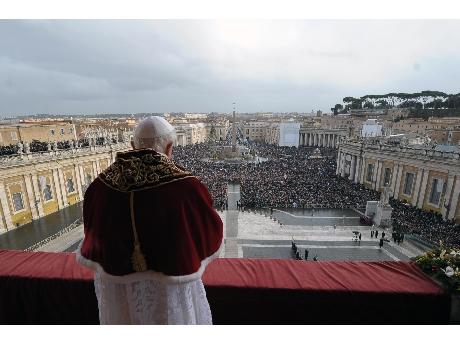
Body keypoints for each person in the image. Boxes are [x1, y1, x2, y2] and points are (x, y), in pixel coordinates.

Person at [77, 116, 223, 325]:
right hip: (170, 290)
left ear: (132, 145)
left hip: (120, 290)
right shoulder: (187, 187)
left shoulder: (99, 186)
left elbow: (92, 236)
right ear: (170, 147)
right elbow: (210, 232)